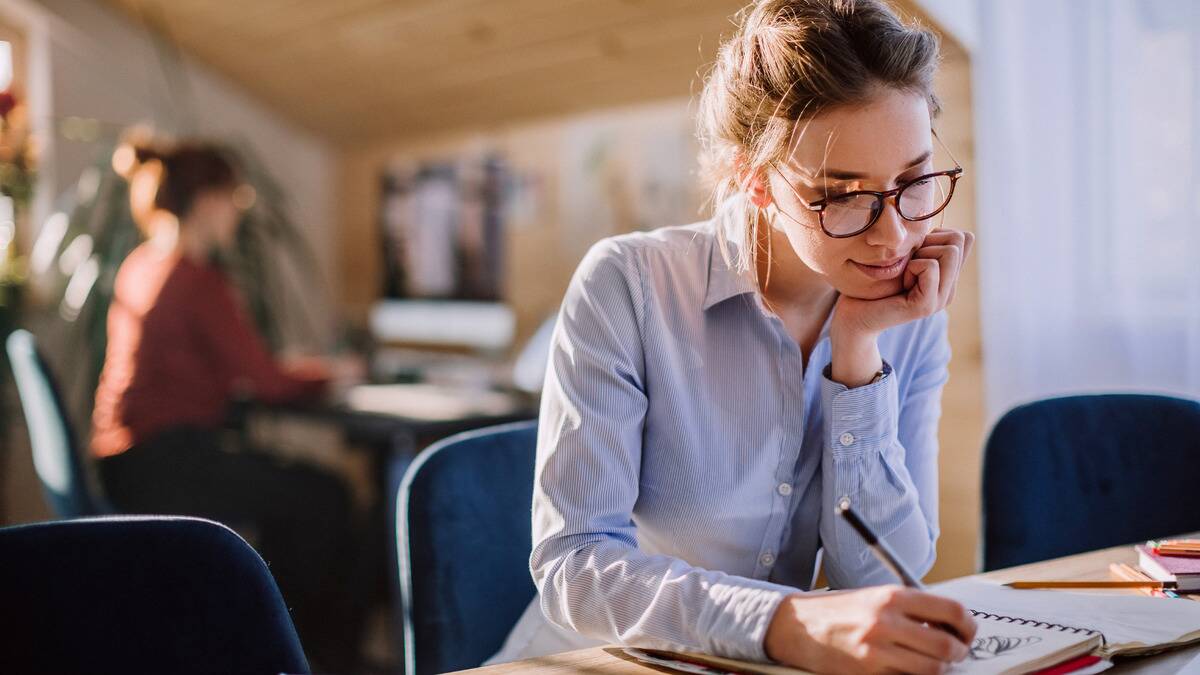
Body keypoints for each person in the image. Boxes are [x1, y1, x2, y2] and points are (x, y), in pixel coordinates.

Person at [489, 1, 979, 673]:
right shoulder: (629, 288)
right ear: (754, 181)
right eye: (841, 195)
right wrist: (783, 622)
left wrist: (859, 353)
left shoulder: (907, 312)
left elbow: (882, 578)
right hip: (594, 661)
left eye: (913, 180)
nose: (893, 235)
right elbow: (574, 564)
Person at [91, 138, 368, 670]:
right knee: (325, 498)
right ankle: (299, 652)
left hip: (126, 462)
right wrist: (337, 370)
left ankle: (286, 644)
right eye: (235, 196)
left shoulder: (142, 263)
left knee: (302, 495)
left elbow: (197, 366)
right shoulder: (196, 279)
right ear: (209, 199)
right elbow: (267, 381)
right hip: (167, 463)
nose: (239, 210)